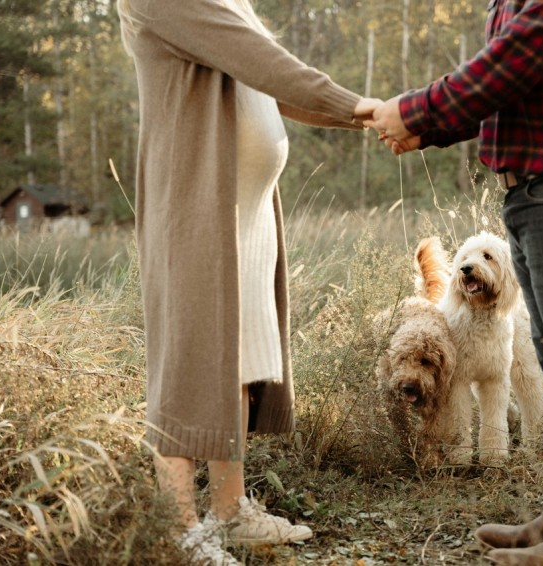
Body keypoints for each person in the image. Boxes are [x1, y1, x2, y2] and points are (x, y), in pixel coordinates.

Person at [367, 0, 543, 564]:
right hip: (538, 192)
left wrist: (414, 109)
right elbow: (514, 87)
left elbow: (512, 62)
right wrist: (430, 128)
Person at [117, 1, 380, 563]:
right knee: (188, 362)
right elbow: (262, 59)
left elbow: (266, 81)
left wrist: (360, 117)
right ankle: (180, 529)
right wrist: (359, 106)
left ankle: (229, 512)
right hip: (196, 204)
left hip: (244, 209)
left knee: (236, 360)